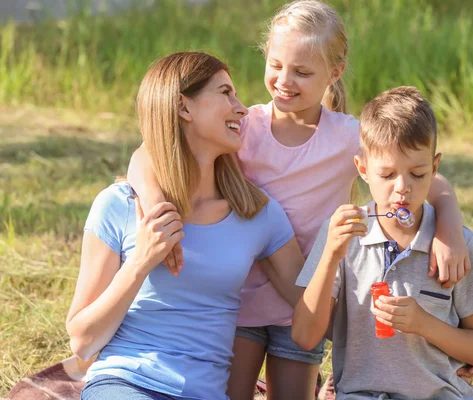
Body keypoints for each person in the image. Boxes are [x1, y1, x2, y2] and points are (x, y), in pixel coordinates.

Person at [127, 2, 473, 398]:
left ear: (335, 72)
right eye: (276, 65)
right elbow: (147, 154)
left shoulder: (347, 136)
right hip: (239, 299)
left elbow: (424, 176)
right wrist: (156, 205)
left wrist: (448, 226)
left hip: (305, 304)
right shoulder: (242, 126)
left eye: (302, 72)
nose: (284, 80)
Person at [66, 51, 306, 400]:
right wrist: (140, 262)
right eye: (226, 93)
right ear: (183, 107)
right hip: (125, 383)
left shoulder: (257, 213)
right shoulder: (119, 205)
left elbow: (311, 304)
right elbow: (82, 341)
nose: (241, 108)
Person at [293, 86, 473, 400]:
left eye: (418, 174)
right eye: (387, 174)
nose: (402, 189)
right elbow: (303, 335)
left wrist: (424, 324)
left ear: (435, 168)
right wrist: (329, 256)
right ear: (363, 169)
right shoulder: (343, 236)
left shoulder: (456, 245)